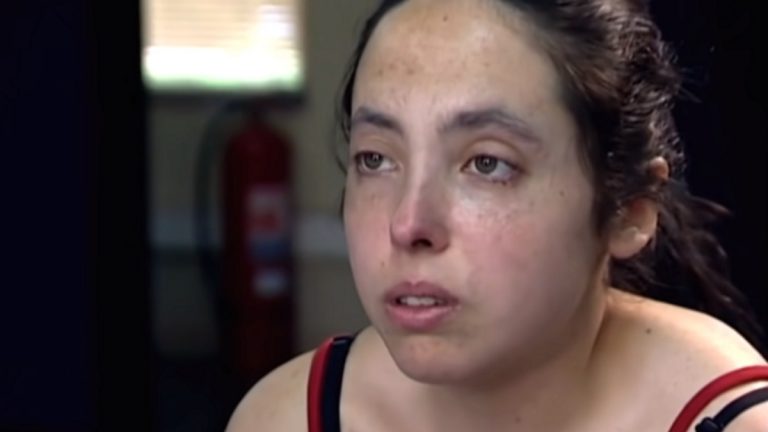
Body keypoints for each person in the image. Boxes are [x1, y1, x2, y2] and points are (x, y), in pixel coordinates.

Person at [226, 0, 768, 431]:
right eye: (376, 158)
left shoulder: (727, 420)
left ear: (629, 209)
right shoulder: (286, 419)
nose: (408, 225)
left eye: (487, 164)